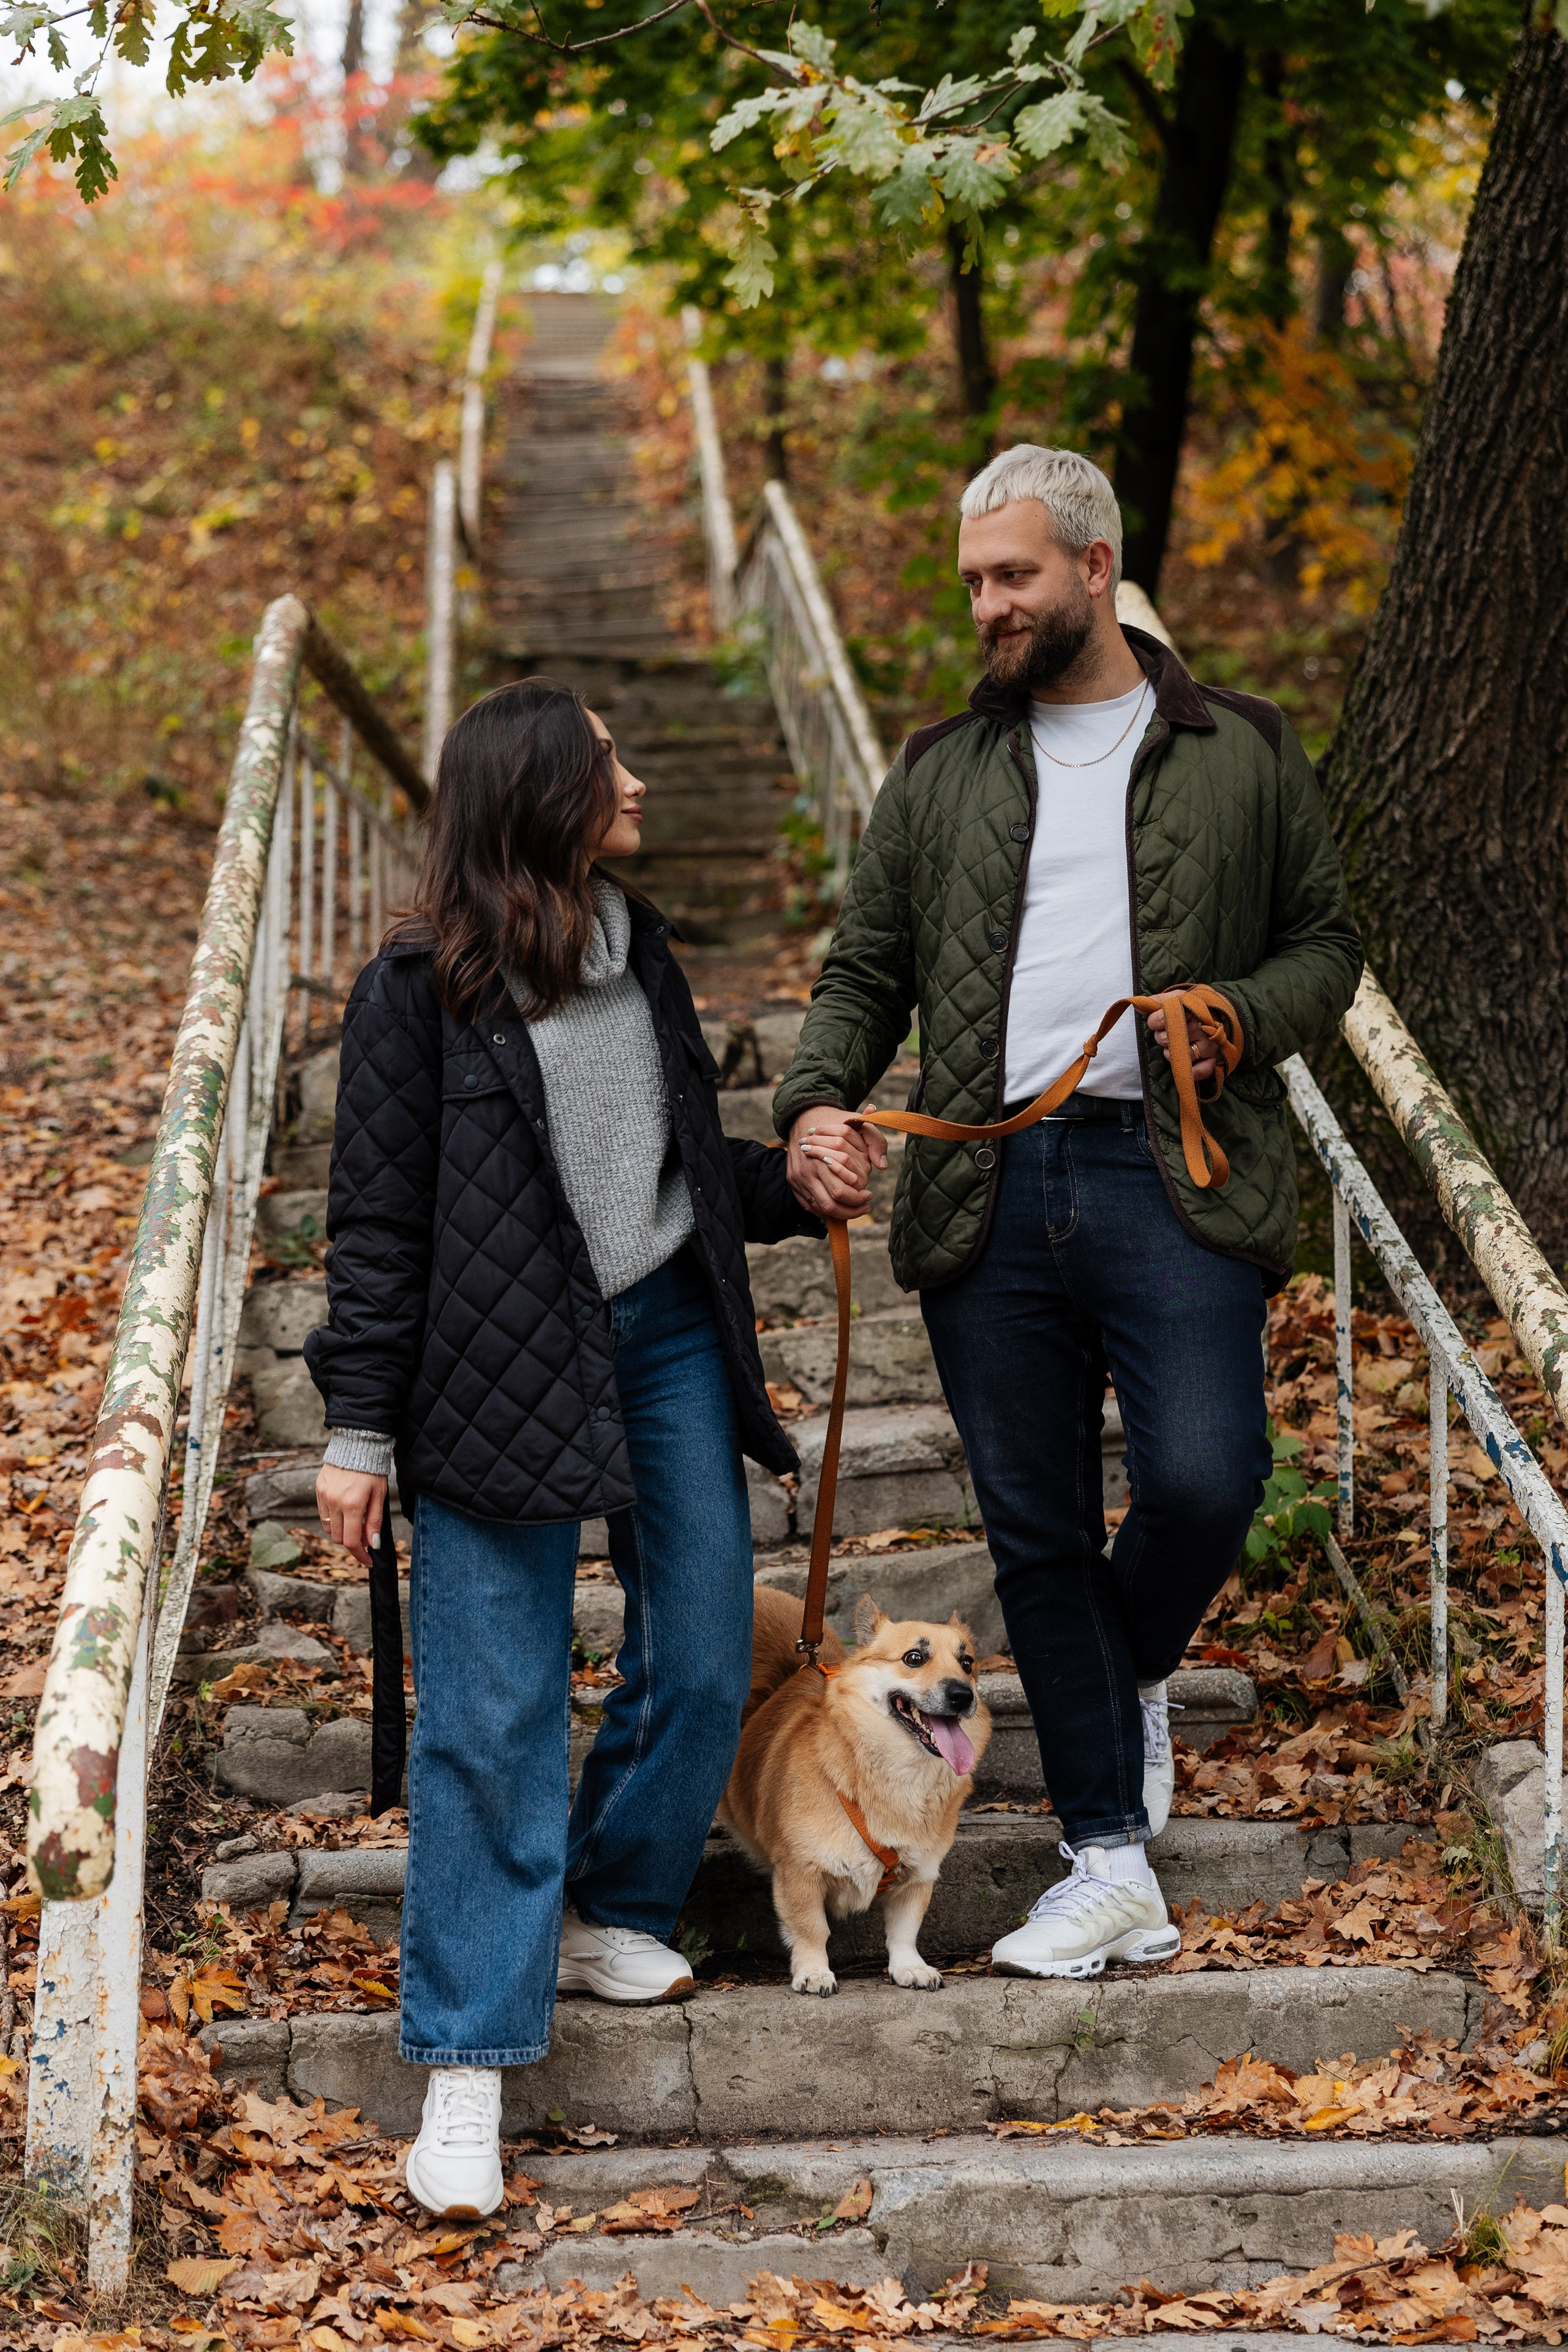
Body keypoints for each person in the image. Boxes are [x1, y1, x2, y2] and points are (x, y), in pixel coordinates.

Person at [775, 445, 1362, 1981]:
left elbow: (1326, 949)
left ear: (1095, 569)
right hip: (986, 1181)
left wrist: (1236, 1010)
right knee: (1034, 1533)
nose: (989, 603)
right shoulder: (939, 769)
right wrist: (816, 1102)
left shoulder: (1244, 748)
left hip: (1175, 1170)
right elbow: (864, 968)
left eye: (1013, 574)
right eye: (973, 578)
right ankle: (1107, 1859)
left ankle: (1130, 1667)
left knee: (1201, 1477)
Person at [306, 679, 820, 2217]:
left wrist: (790, 1179)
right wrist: (355, 1431)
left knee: (712, 1642)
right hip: (485, 1370)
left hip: (661, 1328)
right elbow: (379, 1227)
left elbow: (671, 1162)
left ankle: (607, 1900)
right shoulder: (416, 990)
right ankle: (465, 2066)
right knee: (494, 1708)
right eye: (610, 764)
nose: (639, 781)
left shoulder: (637, 948)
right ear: (539, 794)